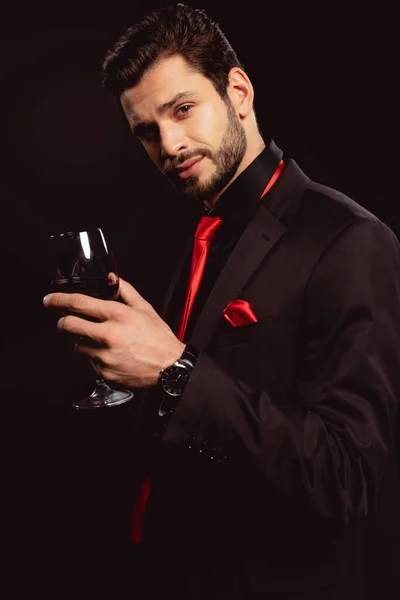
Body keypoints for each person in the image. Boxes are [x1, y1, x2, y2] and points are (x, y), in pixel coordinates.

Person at [43, 4, 400, 599]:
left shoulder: (351, 241)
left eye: (182, 110)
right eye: (147, 132)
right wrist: (131, 374)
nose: (170, 144)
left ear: (237, 92)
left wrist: (174, 371)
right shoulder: (203, 232)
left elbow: (347, 479)